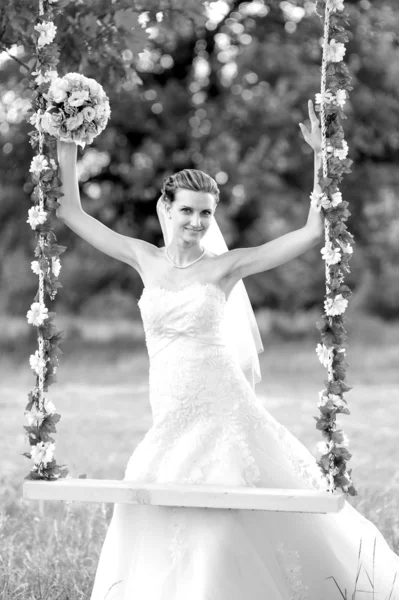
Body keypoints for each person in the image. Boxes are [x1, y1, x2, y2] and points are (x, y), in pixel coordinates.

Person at [56, 101, 399, 599]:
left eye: (205, 213)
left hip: (221, 402)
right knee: (152, 493)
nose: (195, 222)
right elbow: (70, 210)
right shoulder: (142, 258)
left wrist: (322, 159)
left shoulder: (226, 267)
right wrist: (69, 141)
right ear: (166, 209)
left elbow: (309, 233)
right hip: (169, 407)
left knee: (225, 500)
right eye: (187, 211)